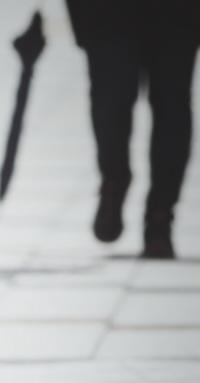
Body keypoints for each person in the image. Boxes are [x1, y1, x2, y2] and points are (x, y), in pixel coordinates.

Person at [66, 0, 200, 259]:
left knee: (172, 104)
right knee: (110, 100)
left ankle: (160, 216)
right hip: (108, 12)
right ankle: (114, 180)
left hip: (177, 12)